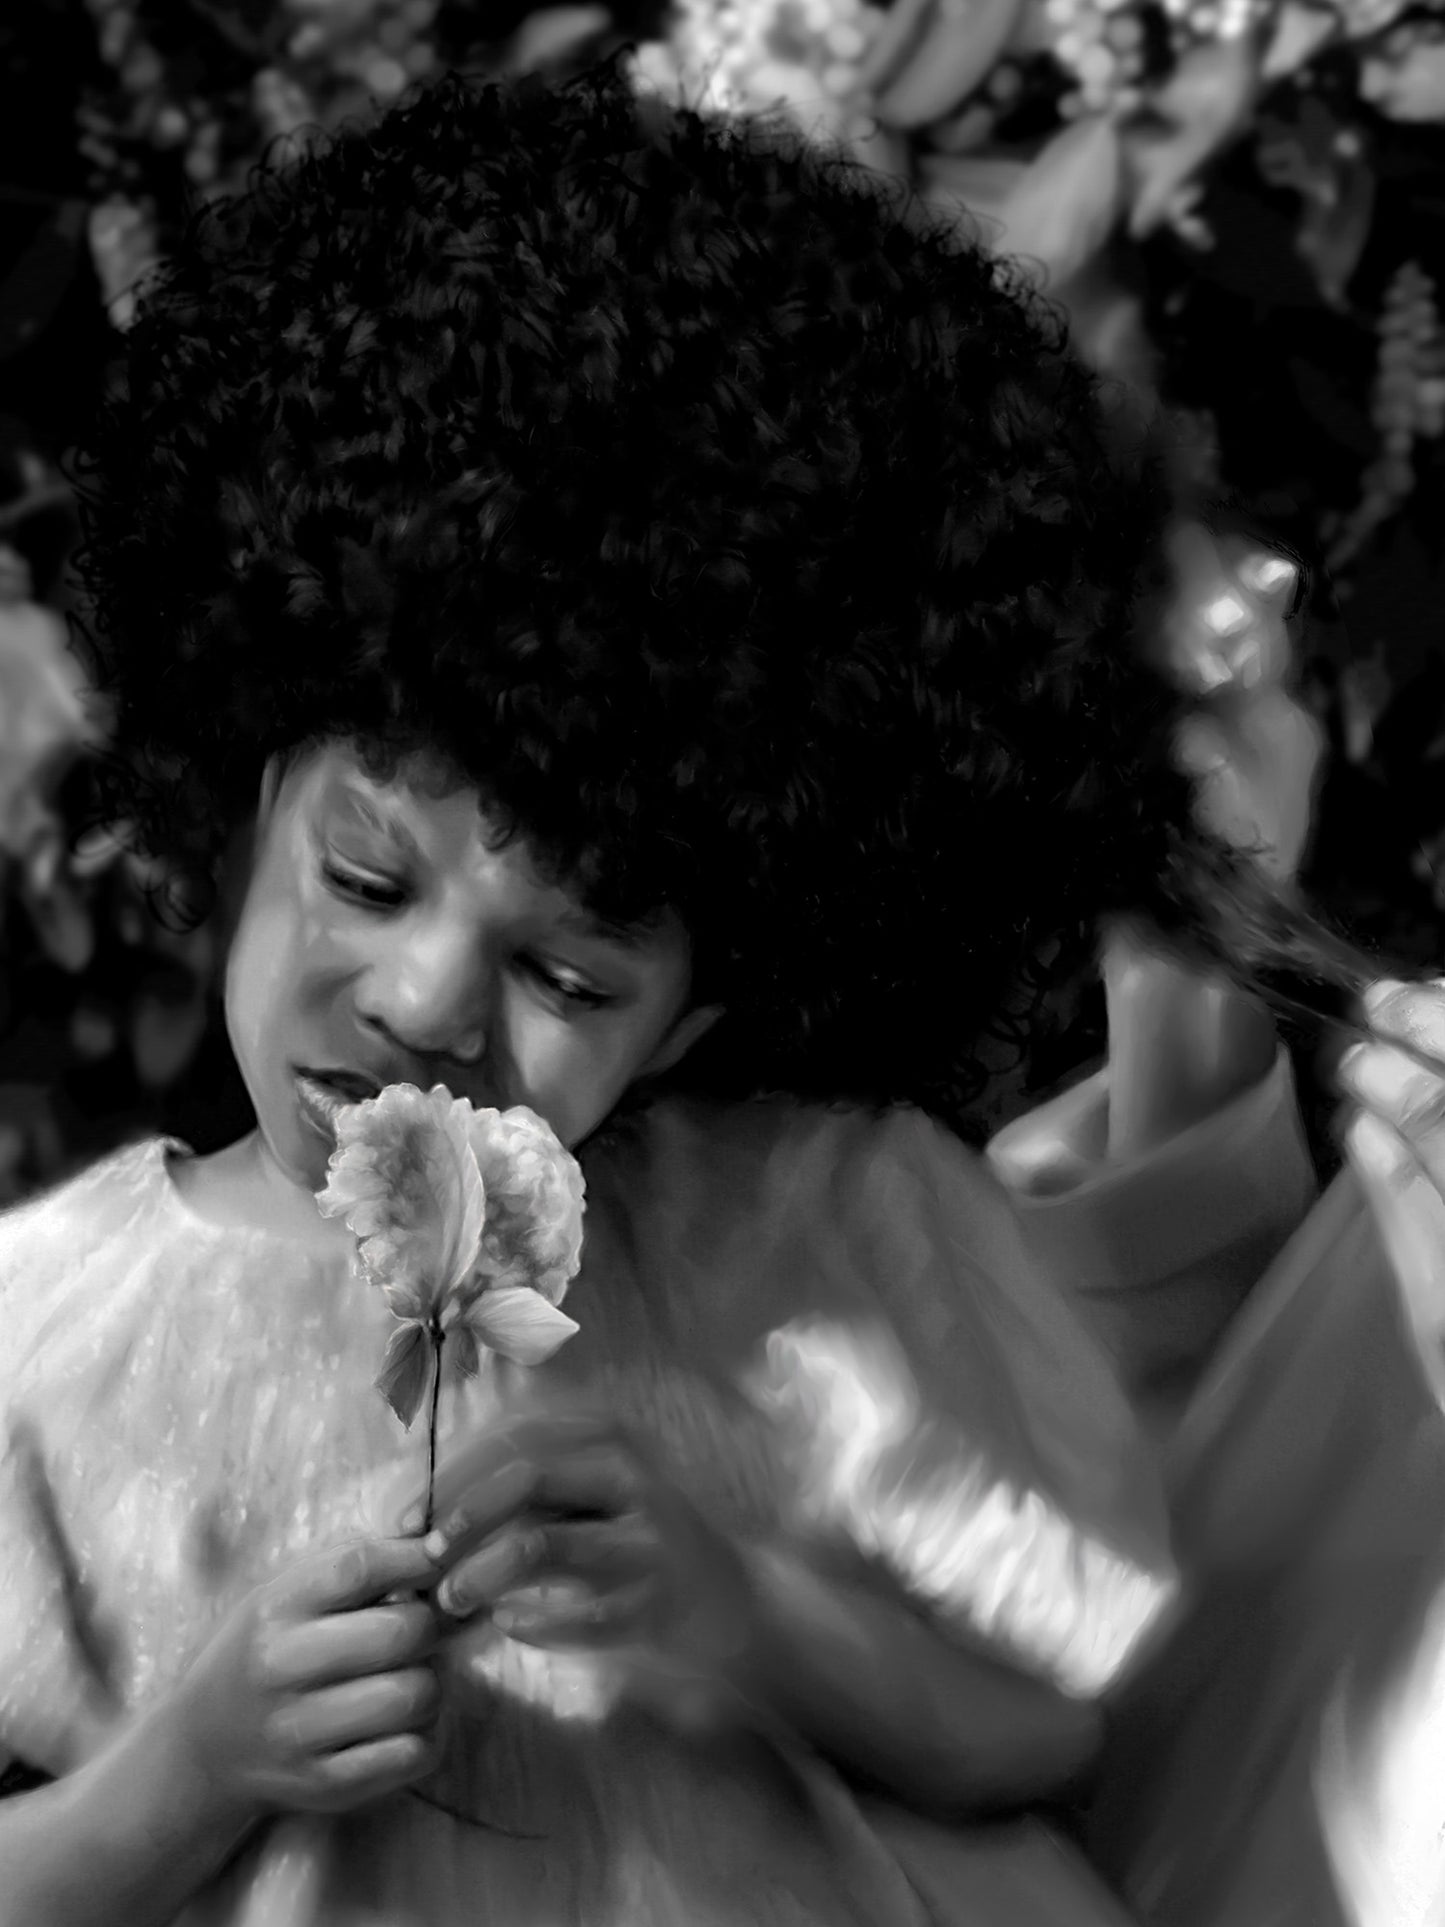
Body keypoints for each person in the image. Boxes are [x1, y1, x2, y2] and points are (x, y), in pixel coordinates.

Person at [0, 51, 1408, 1927]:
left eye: (570, 968)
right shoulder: (46, 1343)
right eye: (362, 872)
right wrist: (182, 1772)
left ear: (712, 1011)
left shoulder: (826, 1237)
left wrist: (752, 1618)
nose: (426, 997)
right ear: (240, 767)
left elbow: (1040, 1741)